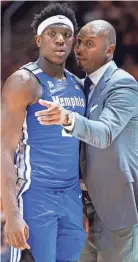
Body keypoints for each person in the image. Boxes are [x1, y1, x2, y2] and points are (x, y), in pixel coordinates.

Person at [35, 20, 138, 262]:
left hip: (116, 206)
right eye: (79, 42)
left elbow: (104, 134)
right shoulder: (82, 86)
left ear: (109, 50)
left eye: (89, 43)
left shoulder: (122, 84)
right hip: (80, 207)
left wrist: (65, 117)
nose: (79, 48)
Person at [1, 3, 87, 262]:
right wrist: (12, 213)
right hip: (35, 196)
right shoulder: (24, 81)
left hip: (72, 196)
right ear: (39, 39)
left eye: (66, 34)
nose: (60, 39)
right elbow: (4, 148)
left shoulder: (77, 84)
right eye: (52, 34)